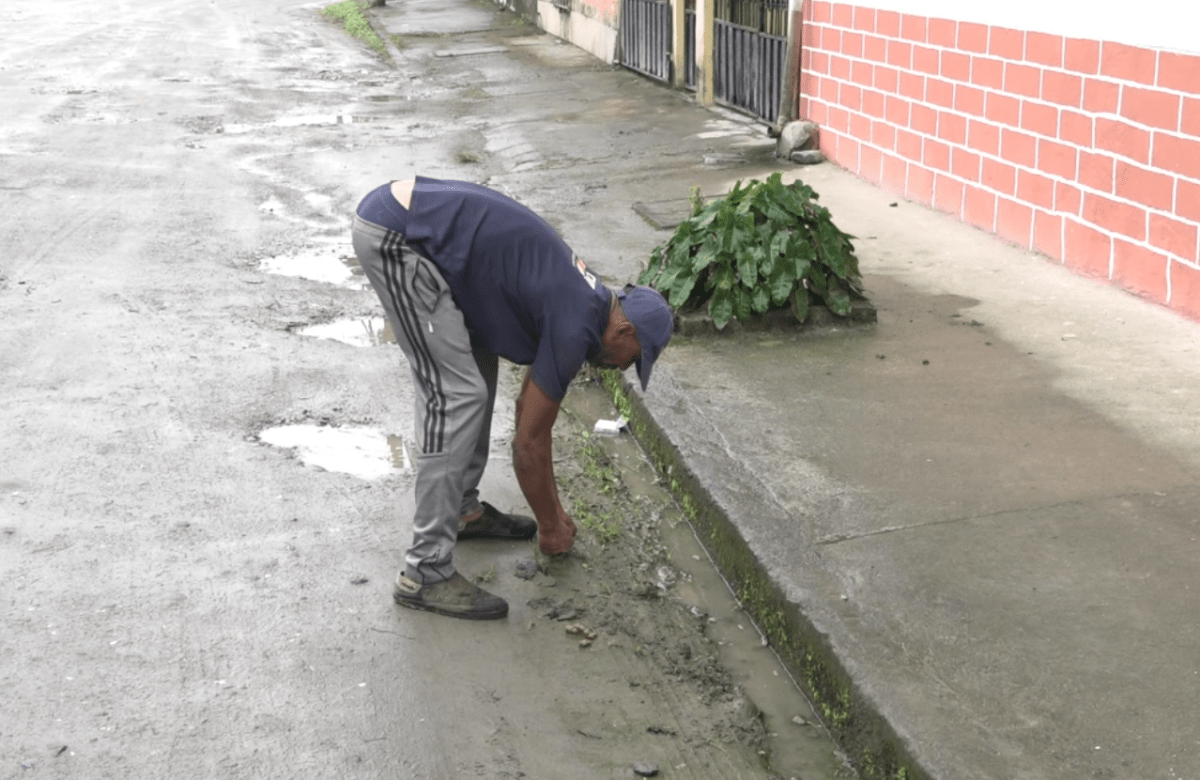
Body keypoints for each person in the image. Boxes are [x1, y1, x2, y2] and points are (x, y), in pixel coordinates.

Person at [350, 177, 673, 620]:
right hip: (397, 237)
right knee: (456, 395)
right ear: (623, 330)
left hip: (424, 234)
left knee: (476, 373)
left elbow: (527, 410)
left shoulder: (587, 302)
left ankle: (461, 511)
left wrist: (552, 511)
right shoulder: (576, 323)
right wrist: (552, 527)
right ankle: (424, 571)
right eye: (632, 359)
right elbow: (529, 444)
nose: (622, 369)